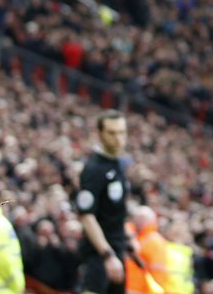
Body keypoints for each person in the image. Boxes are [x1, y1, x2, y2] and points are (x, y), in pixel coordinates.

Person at [75, 112, 131, 294]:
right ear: (99, 133)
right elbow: (86, 216)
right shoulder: (94, 169)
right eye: (112, 133)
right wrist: (107, 255)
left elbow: (114, 211)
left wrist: (128, 239)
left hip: (117, 250)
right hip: (99, 254)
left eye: (122, 132)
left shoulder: (118, 165)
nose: (118, 138)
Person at [124, 208, 167, 294]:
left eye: (142, 218)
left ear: (151, 220)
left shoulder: (155, 240)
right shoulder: (131, 235)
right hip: (126, 286)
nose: (138, 221)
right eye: (137, 217)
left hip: (142, 289)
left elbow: (158, 271)